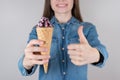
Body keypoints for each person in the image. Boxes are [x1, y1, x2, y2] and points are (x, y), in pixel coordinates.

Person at [18, 0, 108, 80]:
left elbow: (102, 51)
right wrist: (27, 62)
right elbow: (24, 65)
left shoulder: (87, 28)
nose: (61, 0)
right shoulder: (37, 30)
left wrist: (96, 55)